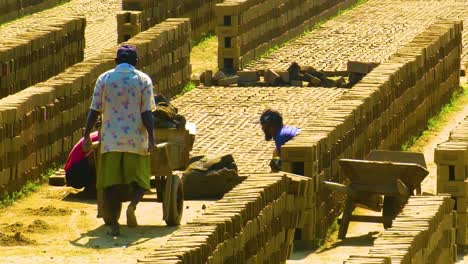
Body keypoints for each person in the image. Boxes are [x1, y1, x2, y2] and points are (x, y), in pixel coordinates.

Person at [82, 44, 156, 236]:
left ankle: (113, 224)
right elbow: (147, 113)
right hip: (136, 140)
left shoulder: (104, 79)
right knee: (140, 180)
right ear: (136, 62)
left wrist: (86, 135)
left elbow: (94, 110)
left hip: (111, 141)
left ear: (116, 62)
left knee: (110, 184)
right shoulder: (143, 80)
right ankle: (132, 205)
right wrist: (152, 139)